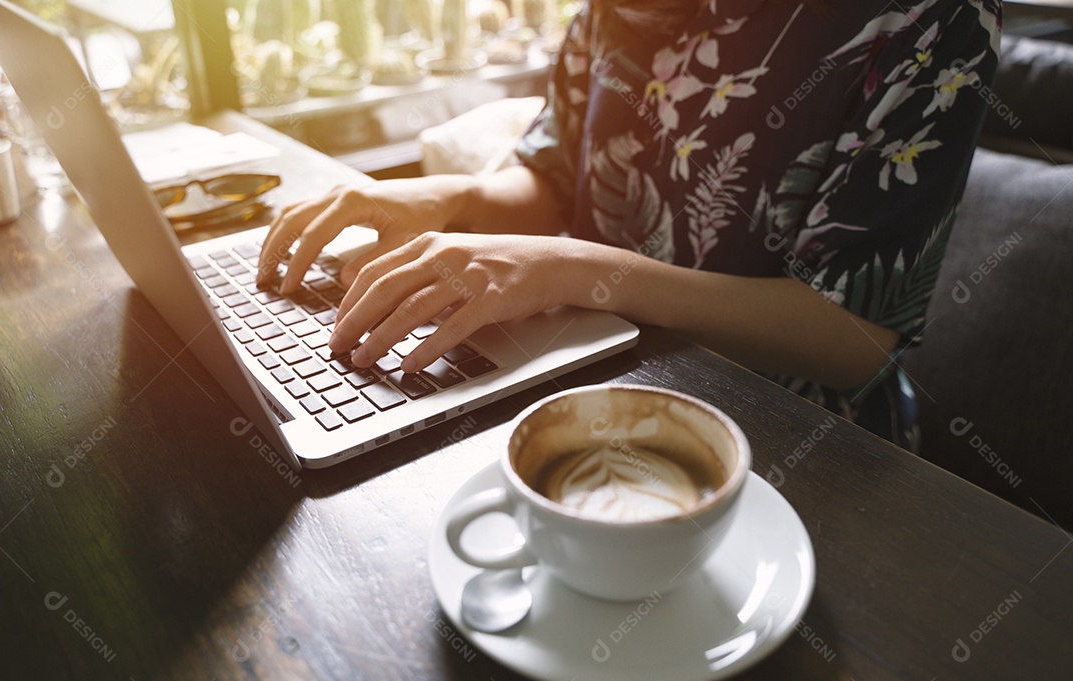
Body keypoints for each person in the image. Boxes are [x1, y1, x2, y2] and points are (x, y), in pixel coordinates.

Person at [257, 0, 1002, 445]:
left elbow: (851, 339)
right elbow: (551, 180)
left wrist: (580, 271)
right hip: (592, 379)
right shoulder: (610, 11)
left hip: (800, 440)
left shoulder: (933, 18)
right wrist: (446, 199)